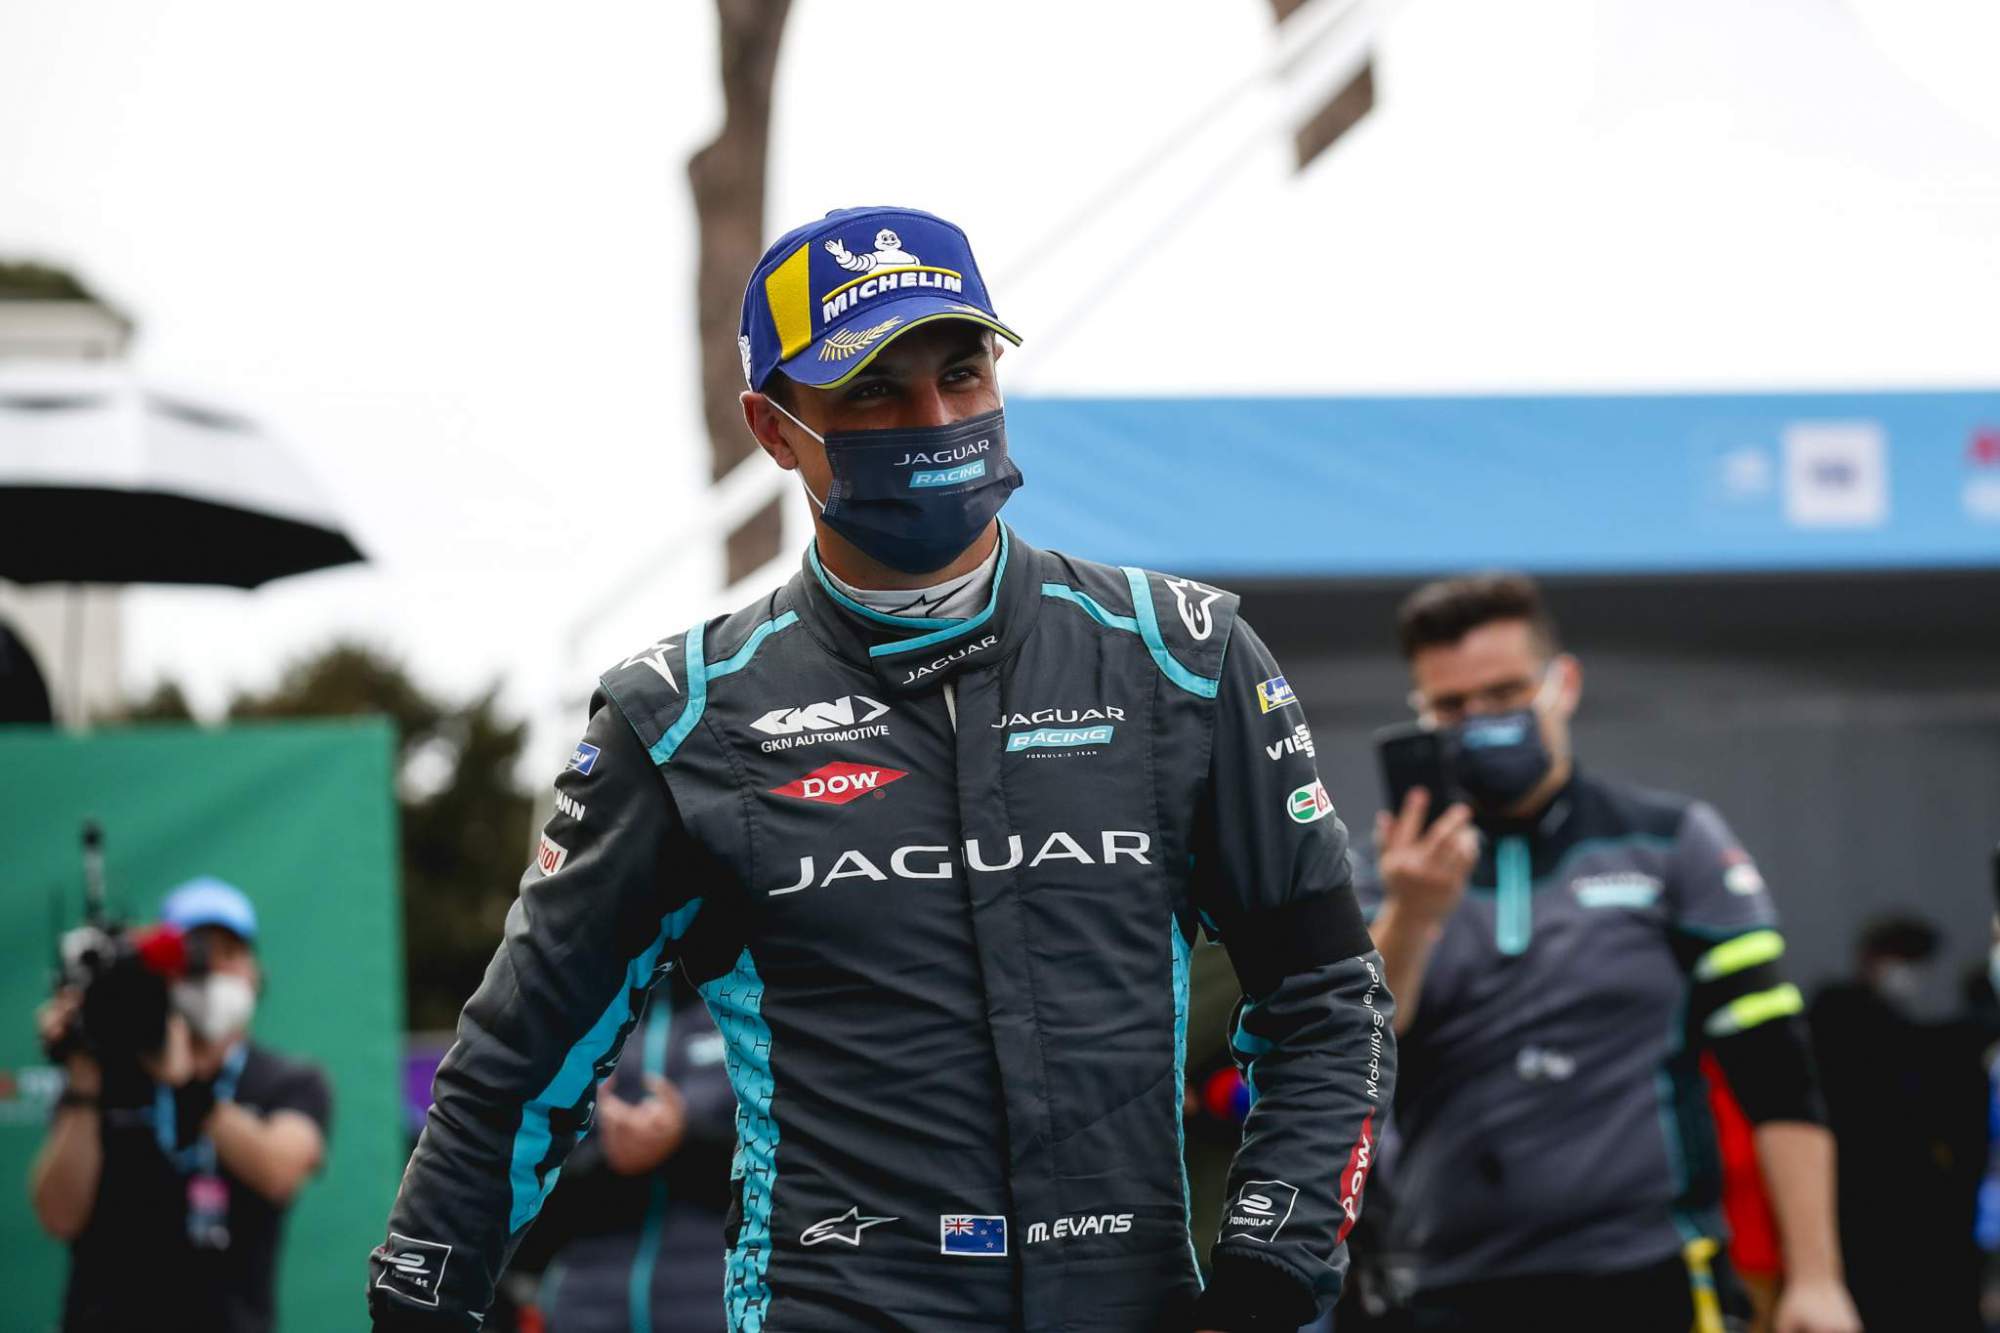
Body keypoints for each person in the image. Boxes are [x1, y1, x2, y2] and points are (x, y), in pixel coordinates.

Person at [367, 205, 1393, 1332]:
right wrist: (420, 1295)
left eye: (961, 373)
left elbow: (1325, 1000)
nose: (935, 418)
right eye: (870, 392)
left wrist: (1263, 1272)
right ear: (772, 427)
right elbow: (515, 1063)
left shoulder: (1180, 658)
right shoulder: (680, 718)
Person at [1359, 573, 1857, 1333]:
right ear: (1421, 713)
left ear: (1564, 684)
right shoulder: (1386, 869)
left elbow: (1776, 1066)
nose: (1482, 720)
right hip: (1444, 1284)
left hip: (1651, 1277)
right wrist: (1415, 911)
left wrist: (1817, 1277)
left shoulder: (1672, 842)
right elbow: (1355, 1049)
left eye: (1504, 693)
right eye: (1452, 707)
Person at [30, 876, 334, 1333]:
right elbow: (58, 1214)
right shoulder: (109, 1074)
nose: (212, 973)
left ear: (255, 972)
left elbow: (280, 1170)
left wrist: (189, 1084)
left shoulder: (290, 1081)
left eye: (229, 956)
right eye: (195, 958)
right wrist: (83, 1078)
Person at [525, 975, 735, 1333]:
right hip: (585, 1307)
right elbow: (524, 1176)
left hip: (719, 1303)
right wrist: (604, 1154)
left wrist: (684, 1139)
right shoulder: (578, 1017)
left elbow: (793, 1157)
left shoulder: (750, 1009)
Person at [1809, 915, 1988, 1332]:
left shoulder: (1921, 1034)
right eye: (1903, 959)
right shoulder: (1843, 1015)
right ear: (1872, 957)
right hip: (1868, 1203)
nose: (1910, 974)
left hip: (1924, 1211)